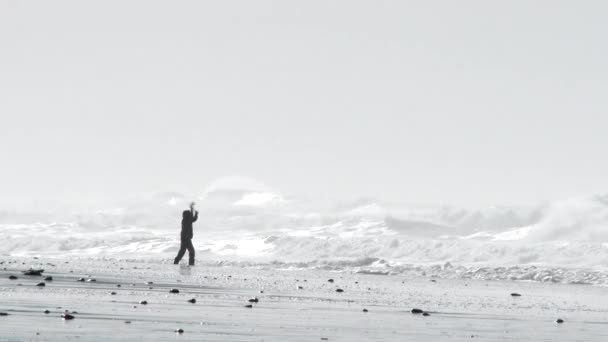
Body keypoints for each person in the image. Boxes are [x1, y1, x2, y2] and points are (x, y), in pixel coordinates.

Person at [174, 202, 198, 266]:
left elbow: (193, 219)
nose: (190, 214)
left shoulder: (185, 220)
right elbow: (193, 218)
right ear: (187, 215)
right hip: (186, 237)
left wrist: (193, 211)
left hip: (184, 237)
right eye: (189, 214)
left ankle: (176, 261)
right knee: (192, 251)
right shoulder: (186, 220)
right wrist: (192, 209)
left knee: (182, 251)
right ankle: (191, 264)